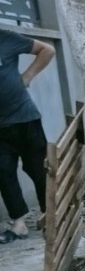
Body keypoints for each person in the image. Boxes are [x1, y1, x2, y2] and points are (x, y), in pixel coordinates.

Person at [0, 28, 55, 243]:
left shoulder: (5, 38)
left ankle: (50, 218)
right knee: (4, 173)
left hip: (25, 119)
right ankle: (19, 224)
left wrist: (27, 77)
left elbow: (47, 50)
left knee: (38, 169)